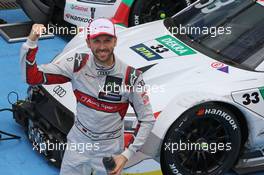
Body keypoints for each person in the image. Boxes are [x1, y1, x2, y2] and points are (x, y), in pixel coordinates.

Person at [20, 18, 155, 175]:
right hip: (79, 142)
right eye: (96, 41)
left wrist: (126, 155)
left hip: (109, 148)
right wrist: (31, 42)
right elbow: (32, 77)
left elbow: (147, 119)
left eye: (107, 40)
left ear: (115, 41)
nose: (102, 47)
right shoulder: (77, 64)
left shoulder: (130, 77)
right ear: (88, 42)